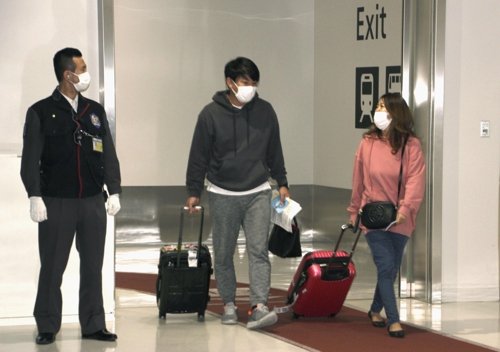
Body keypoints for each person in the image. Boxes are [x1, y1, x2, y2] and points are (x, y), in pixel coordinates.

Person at [20, 48, 122, 345]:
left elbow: (109, 153)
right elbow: (30, 159)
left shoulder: (93, 110)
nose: (86, 73)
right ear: (68, 75)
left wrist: (113, 189)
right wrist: (34, 195)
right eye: (82, 67)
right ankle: (48, 325)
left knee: (93, 266)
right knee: (52, 267)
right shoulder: (40, 111)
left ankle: (93, 324)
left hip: (92, 201)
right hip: (56, 201)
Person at [185, 57, 290, 330]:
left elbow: (274, 149)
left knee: (258, 251)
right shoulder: (209, 114)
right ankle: (229, 303)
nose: (250, 88)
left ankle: (259, 306)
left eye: (254, 83)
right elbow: (198, 155)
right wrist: (194, 191)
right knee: (223, 253)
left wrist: (282, 181)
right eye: (245, 82)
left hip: (258, 191)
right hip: (221, 192)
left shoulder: (265, 112)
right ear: (229, 83)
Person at [348, 92, 425, 338]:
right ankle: (394, 320)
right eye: (378, 106)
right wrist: (354, 211)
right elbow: (358, 180)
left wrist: (405, 209)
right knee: (385, 266)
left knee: (391, 269)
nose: (378, 111)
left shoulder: (411, 145)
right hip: (372, 216)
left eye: (384, 107)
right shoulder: (367, 143)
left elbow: (415, 180)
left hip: (400, 218)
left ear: (396, 114)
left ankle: (373, 310)